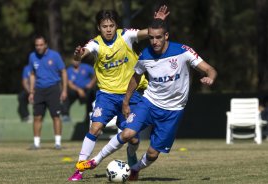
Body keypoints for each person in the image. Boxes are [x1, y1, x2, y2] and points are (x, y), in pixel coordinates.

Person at [75, 18, 217, 181]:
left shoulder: (183, 51)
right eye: (151, 37)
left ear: (166, 36)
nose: (154, 41)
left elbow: (209, 69)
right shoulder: (145, 55)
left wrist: (210, 78)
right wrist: (126, 101)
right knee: (127, 133)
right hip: (149, 102)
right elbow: (135, 78)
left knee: (152, 153)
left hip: (173, 110)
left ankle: (134, 169)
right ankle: (94, 161)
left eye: (158, 37)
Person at [68, 6, 170, 181]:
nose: (108, 29)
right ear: (98, 28)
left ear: (116, 26)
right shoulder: (96, 44)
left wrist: (159, 22)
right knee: (95, 128)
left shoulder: (126, 36)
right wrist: (78, 55)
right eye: (104, 26)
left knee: (133, 140)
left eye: (111, 25)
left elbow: (149, 33)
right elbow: (81, 55)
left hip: (130, 95)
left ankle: (131, 154)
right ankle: (80, 169)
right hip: (106, 95)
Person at [28, 35, 67, 150]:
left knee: (56, 116)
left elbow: (63, 72)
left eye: (41, 45)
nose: (38, 47)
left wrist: (64, 90)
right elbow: (32, 74)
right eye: (36, 45)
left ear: (45, 45)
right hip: (39, 90)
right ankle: (36, 143)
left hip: (53, 88)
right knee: (37, 117)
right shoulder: (32, 56)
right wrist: (31, 92)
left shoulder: (54, 56)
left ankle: (58, 143)